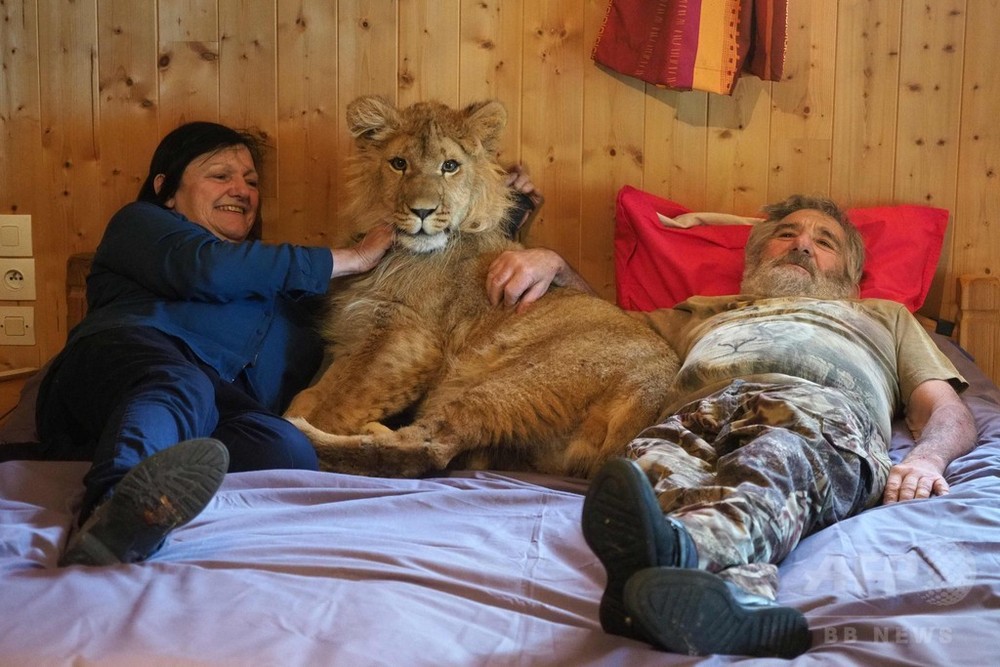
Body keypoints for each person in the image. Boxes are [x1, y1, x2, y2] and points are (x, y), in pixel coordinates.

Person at [487, 195, 977, 658]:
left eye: (824, 242)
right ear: (757, 258)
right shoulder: (702, 309)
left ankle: (670, 558)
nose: (802, 244)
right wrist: (554, 262)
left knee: (776, 458)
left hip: (812, 409)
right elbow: (608, 325)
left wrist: (926, 458)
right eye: (786, 234)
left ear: (849, 277)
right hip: (692, 412)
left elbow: (944, 408)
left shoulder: (883, 316)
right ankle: (738, 601)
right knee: (650, 469)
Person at [39, 121, 540, 568]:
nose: (242, 189)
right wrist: (352, 256)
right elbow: (207, 269)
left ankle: (165, 487)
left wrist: (495, 214)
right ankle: (111, 509)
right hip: (127, 359)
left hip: (219, 405)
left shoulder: (283, 289)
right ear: (166, 189)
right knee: (178, 383)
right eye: (220, 175)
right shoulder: (143, 226)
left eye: (251, 181)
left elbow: (380, 335)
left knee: (289, 447)